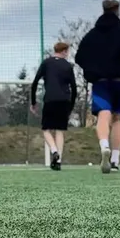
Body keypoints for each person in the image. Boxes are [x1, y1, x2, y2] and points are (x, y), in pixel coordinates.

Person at [74, 0, 120, 173]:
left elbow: (79, 56)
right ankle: (115, 160)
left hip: (101, 80)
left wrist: (92, 69)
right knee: (117, 117)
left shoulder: (92, 34)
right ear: (117, 11)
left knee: (103, 114)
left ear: (103, 10)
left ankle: (104, 146)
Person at [31, 42, 79, 171]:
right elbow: (74, 88)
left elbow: (35, 82)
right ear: (64, 51)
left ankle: (54, 151)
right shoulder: (68, 66)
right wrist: (71, 105)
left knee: (46, 129)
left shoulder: (46, 63)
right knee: (60, 130)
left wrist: (33, 102)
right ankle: (58, 161)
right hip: (64, 101)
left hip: (50, 100)